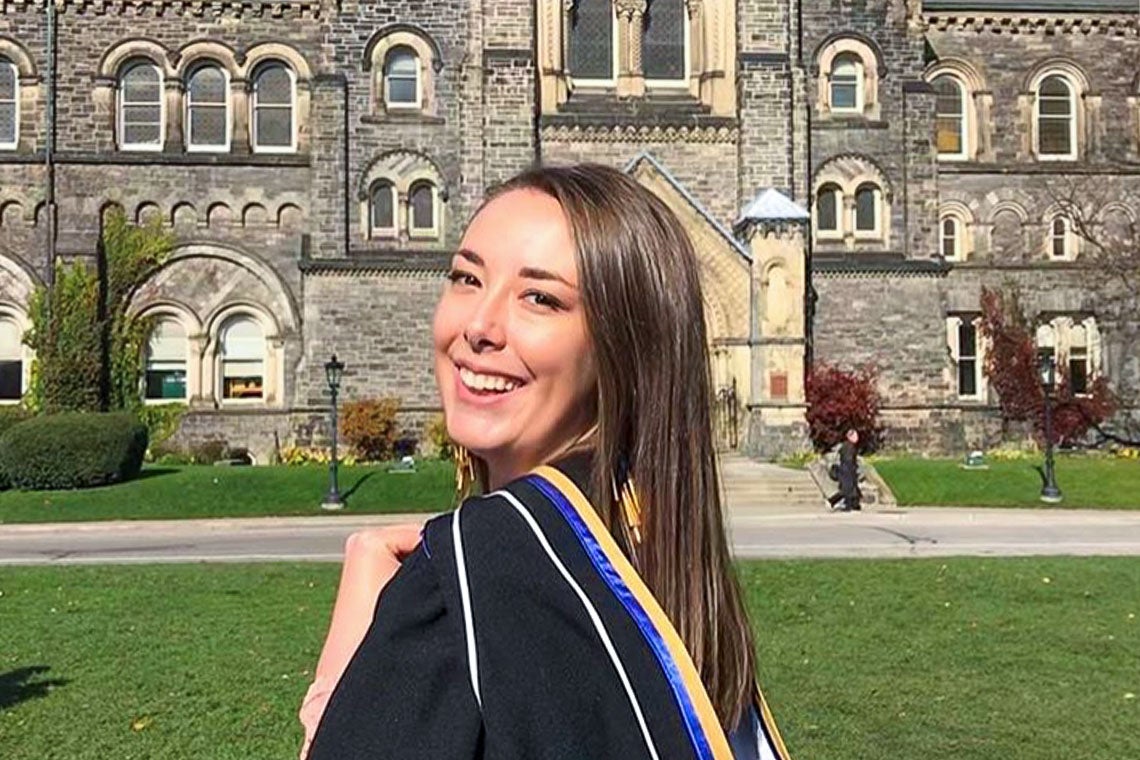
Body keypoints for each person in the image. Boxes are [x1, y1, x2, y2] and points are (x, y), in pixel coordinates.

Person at [299, 163, 792, 759]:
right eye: (467, 278)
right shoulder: (656, 544)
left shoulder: (472, 576)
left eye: (540, 298)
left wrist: (339, 685)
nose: (478, 327)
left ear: (624, 349)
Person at [828, 428, 861, 512]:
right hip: (847, 471)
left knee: (852, 490)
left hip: (847, 471)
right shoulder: (848, 447)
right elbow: (848, 460)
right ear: (850, 437)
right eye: (855, 436)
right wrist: (853, 468)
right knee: (846, 490)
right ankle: (832, 501)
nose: (857, 438)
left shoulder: (848, 446)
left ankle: (853, 505)